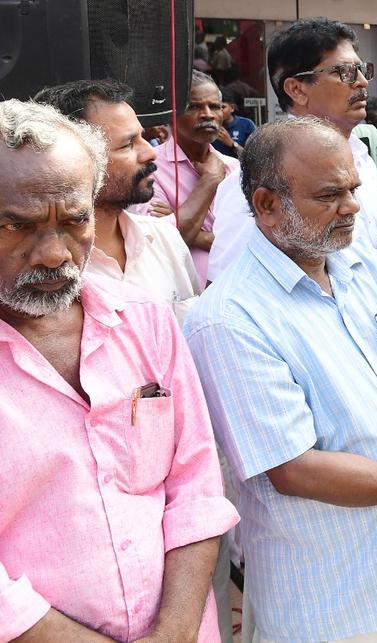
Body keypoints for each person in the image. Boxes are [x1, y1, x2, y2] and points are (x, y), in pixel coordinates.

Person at [185, 117, 377, 641]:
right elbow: (292, 468)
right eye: (329, 195)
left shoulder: (359, 260)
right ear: (268, 205)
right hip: (330, 599)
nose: (353, 207)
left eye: (353, 189)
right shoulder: (228, 318)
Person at [0, 98, 238, 642]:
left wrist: (176, 631)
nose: (55, 253)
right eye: (20, 225)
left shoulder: (145, 320)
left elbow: (195, 484)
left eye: (75, 219)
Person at [207, 17, 377, 283]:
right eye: (345, 72)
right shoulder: (260, 174)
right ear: (296, 89)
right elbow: (226, 283)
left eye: (363, 70)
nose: (362, 82)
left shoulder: (362, 156)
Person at [34, 80, 201, 321]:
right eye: (127, 145)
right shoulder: (47, 269)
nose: (150, 152)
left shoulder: (164, 238)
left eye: (143, 137)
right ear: (73, 162)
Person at [146, 71, 237, 285]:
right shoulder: (149, 168)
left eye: (215, 107)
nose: (208, 114)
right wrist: (210, 181)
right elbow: (159, 244)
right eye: (194, 107)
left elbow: (245, 242)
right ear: (171, 114)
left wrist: (178, 223)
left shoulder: (235, 170)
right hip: (177, 302)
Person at [213, 87, 256, 158]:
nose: (220, 111)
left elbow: (252, 158)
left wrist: (232, 144)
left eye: (223, 107)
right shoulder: (210, 125)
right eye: (216, 107)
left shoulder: (246, 125)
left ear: (232, 108)